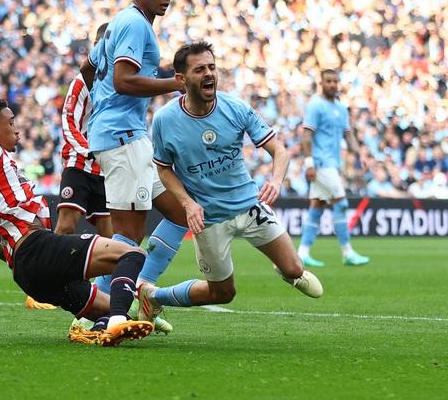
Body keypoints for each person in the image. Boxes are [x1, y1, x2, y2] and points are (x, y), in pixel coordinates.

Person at [137, 41, 322, 319]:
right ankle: (153, 296)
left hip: (250, 207)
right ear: (181, 79)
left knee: (296, 270)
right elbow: (163, 169)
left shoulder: (235, 107)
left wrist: (275, 180)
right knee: (222, 293)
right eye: (200, 69)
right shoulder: (165, 120)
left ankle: (285, 268)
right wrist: (188, 204)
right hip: (209, 218)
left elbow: (279, 151)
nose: (209, 74)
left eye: (212, 67)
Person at [0, 96, 153, 346]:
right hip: (37, 248)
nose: (16, 129)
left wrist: (13, 256)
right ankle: (117, 320)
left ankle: (103, 325)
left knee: (114, 310)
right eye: (11, 122)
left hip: (29, 272)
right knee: (132, 255)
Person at [86, 0, 190, 313]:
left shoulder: (121, 23)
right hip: (121, 138)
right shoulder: (134, 24)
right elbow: (123, 80)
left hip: (126, 136)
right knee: (127, 239)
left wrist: (97, 109)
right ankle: (97, 312)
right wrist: (176, 85)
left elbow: (89, 67)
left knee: (183, 213)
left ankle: (141, 288)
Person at [297, 69, 370, 267]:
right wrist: (309, 163)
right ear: (321, 82)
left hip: (333, 165)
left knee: (317, 206)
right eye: (328, 81)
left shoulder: (340, 108)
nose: (332, 84)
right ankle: (347, 252)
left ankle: (302, 252)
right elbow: (306, 136)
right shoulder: (315, 105)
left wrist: (359, 154)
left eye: (335, 81)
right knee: (341, 203)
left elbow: (349, 135)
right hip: (321, 164)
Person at [56, 23, 112, 239]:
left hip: (105, 168)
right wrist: (89, 150)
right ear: (97, 45)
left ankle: (104, 274)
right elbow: (68, 120)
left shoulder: (118, 82)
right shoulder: (82, 81)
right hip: (79, 163)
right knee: (66, 226)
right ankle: (55, 272)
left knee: (110, 233)